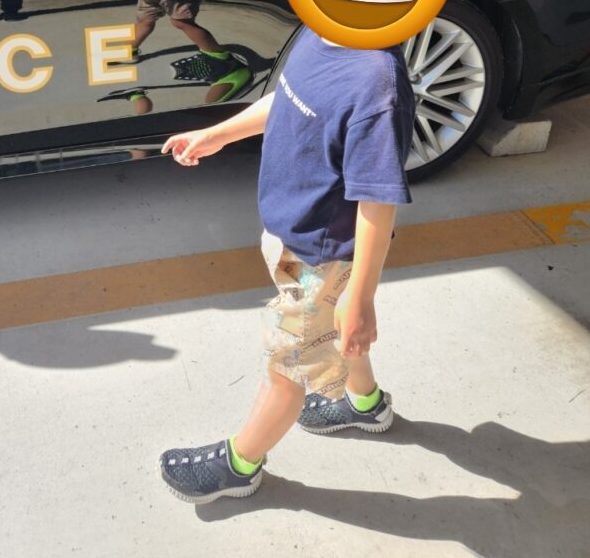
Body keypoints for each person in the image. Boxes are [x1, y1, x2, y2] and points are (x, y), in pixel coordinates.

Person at [158, 25, 415, 504]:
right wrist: (217, 134)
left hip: (322, 257)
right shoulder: (324, 32)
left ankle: (238, 466)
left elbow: (377, 203)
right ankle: (365, 404)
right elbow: (291, 97)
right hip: (292, 232)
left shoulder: (378, 85)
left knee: (290, 365)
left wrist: (359, 296)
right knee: (330, 330)